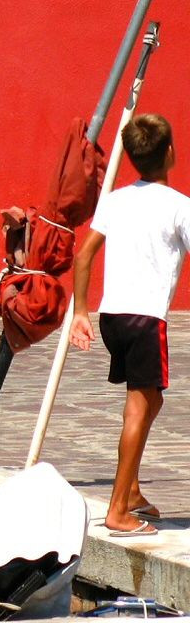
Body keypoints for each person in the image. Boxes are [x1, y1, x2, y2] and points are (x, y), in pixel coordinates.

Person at [70, 113, 190, 535]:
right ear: (171, 153)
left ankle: (133, 488)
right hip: (144, 321)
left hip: (112, 317)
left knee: (151, 401)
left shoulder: (116, 198)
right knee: (138, 412)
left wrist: (80, 314)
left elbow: (82, 257)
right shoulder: (179, 207)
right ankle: (118, 510)